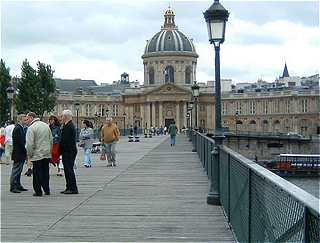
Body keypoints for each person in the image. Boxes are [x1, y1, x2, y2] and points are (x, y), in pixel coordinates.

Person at [25, 112, 52, 196]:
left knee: (37, 173)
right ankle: (46, 189)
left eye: (27, 119)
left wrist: (29, 154)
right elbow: (51, 140)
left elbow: (29, 143)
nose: (27, 121)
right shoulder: (46, 126)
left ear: (31, 118)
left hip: (37, 154)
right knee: (45, 172)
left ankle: (38, 191)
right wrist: (49, 151)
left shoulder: (31, 128)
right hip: (46, 153)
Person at [59, 110, 79, 194]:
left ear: (66, 117)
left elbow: (65, 140)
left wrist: (60, 150)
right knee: (67, 170)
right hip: (68, 151)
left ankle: (73, 188)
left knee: (69, 169)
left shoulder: (69, 126)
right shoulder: (67, 125)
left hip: (68, 151)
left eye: (62, 116)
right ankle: (68, 187)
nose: (61, 118)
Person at [10, 114, 28, 193]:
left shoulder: (21, 128)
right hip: (18, 152)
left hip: (20, 152)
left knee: (19, 170)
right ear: (20, 120)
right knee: (16, 170)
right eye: (24, 120)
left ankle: (18, 184)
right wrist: (25, 149)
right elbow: (19, 142)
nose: (26, 121)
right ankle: (13, 186)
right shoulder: (18, 128)